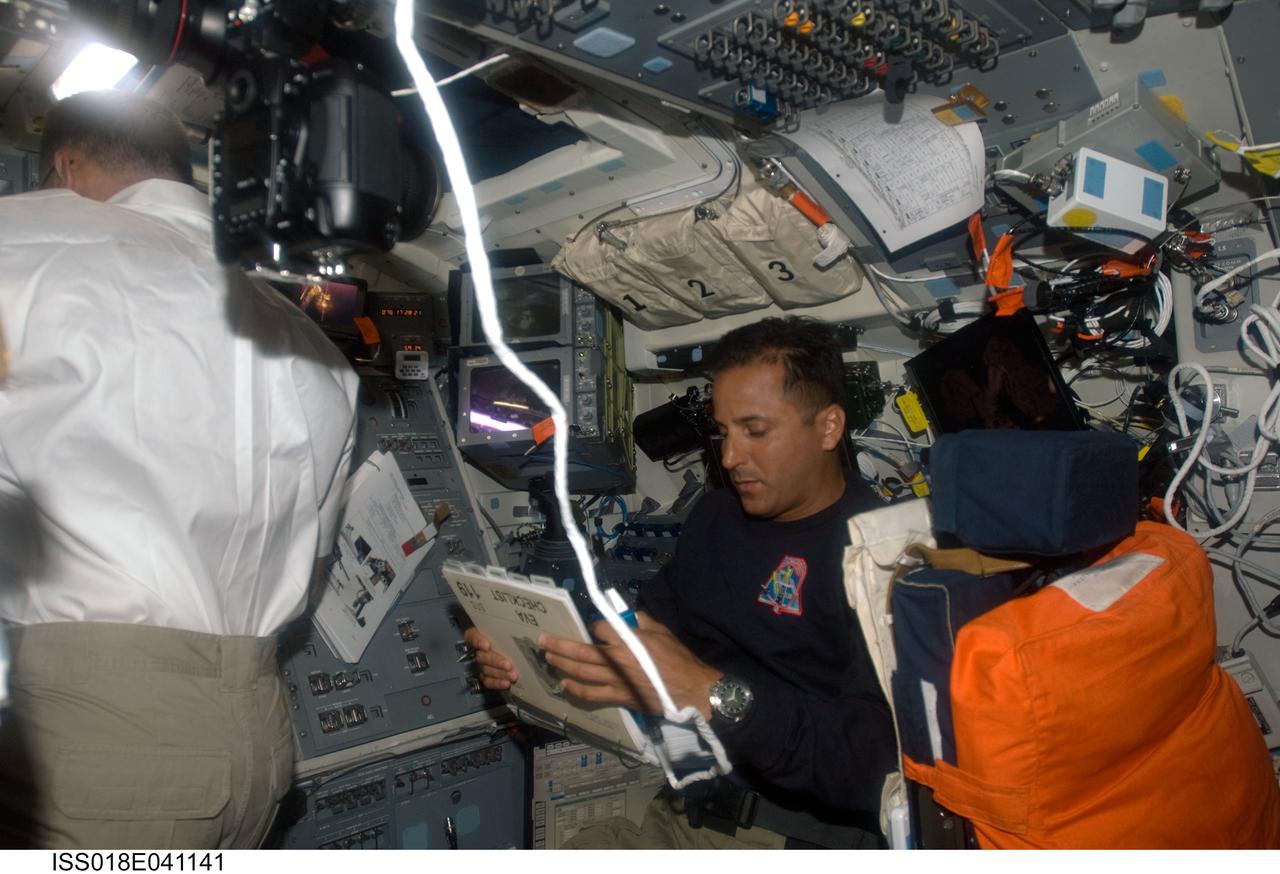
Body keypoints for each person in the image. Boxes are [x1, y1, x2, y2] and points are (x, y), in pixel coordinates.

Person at [0, 90, 359, 849]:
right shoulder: (313, 345)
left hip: (94, 740)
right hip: (257, 744)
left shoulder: (20, 246)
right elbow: (314, 569)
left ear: (66, 167)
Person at [467, 316, 897, 849]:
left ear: (828, 427)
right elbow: (645, 642)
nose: (730, 457)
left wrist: (717, 696)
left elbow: (876, 766)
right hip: (680, 806)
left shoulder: (886, 557)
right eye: (723, 432)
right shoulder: (716, 516)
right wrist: (534, 657)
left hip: (784, 835)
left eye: (755, 431)